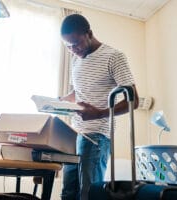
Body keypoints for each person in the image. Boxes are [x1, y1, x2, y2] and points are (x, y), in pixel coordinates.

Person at [59, 14, 139, 200]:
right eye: (68, 46)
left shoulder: (114, 57)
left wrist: (99, 114)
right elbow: (77, 92)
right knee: (68, 194)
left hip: (96, 137)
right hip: (74, 134)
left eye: (76, 43)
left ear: (89, 33)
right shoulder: (75, 59)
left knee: (87, 194)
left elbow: (133, 100)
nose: (73, 49)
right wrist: (57, 102)